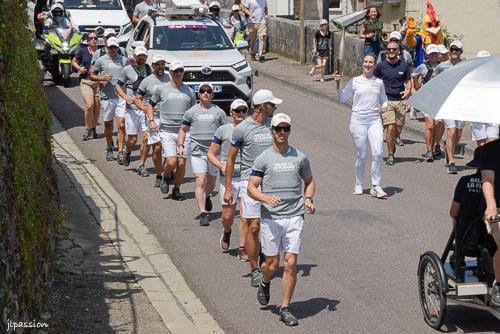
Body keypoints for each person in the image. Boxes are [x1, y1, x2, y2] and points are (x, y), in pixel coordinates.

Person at [247, 112, 316, 327]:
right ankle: (265, 281)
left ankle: (285, 307)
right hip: (271, 218)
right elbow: (251, 187)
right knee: (271, 263)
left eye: (286, 129)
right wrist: (265, 197)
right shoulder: (264, 158)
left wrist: (308, 198)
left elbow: (310, 181)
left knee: (291, 262)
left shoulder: (300, 157)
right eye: (278, 129)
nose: (282, 133)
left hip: (294, 216)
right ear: (272, 131)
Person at [224, 89, 282, 287]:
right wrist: (229, 187)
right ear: (263, 106)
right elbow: (231, 158)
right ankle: (254, 268)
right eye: (272, 105)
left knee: (271, 226)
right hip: (251, 183)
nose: (275, 108)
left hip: (273, 183)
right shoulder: (242, 128)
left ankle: (267, 255)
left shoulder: (273, 126)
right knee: (254, 226)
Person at [335, 53, 388, 198]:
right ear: (362, 64)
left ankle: (376, 185)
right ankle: (358, 184)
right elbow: (341, 98)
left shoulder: (379, 82)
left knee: (377, 153)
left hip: (374, 120)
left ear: (374, 65)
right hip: (358, 120)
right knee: (362, 154)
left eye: (370, 62)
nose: (367, 65)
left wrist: (384, 106)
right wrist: (338, 84)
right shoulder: (355, 81)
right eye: (365, 62)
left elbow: (384, 100)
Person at [178, 83, 227, 226]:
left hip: (214, 154)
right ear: (198, 94)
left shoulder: (219, 113)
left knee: (211, 183)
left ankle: (206, 197)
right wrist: (180, 145)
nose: (205, 93)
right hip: (197, 152)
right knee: (200, 181)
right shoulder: (191, 112)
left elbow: (226, 132)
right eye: (202, 91)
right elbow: (182, 129)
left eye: (208, 91)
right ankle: (203, 212)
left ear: (212, 94)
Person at [147, 60, 197, 199]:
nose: (178, 73)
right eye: (175, 71)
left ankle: (176, 189)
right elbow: (150, 105)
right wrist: (151, 121)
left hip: (184, 132)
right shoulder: (162, 89)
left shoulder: (190, 92)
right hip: (167, 132)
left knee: (181, 163)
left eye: (181, 71)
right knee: (171, 162)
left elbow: (194, 112)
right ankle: (166, 175)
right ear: (171, 73)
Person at [208, 99, 249, 258]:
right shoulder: (223, 130)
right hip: (228, 179)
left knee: (246, 217)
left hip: (246, 178)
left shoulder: (251, 129)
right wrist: (221, 165)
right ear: (231, 113)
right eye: (237, 111)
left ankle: (242, 248)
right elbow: (211, 154)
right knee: (228, 216)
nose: (240, 114)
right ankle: (227, 231)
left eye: (243, 110)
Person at [90, 37, 129, 162]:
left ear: (118, 48)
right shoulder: (101, 60)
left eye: (115, 47)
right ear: (107, 47)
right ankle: (109, 147)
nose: (113, 49)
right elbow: (91, 75)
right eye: (110, 47)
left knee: (121, 124)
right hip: (107, 97)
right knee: (108, 124)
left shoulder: (124, 60)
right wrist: (101, 78)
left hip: (121, 97)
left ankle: (121, 151)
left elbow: (131, 75)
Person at [374, 40, 411, 166]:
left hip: (400, 101)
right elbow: (375, 82)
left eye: (394, 49)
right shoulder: (381, 66)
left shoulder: (403, 66)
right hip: (386, 101)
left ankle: (394, 140)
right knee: (390, 127)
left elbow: (408, 81)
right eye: (389, 49)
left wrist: (408, 91)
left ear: (398, 51)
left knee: (398, 128)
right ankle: (391, 154)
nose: (391, 51)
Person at [134, 54, 170, 183]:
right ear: (153, 66)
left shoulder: (169, 78)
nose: (160, 66)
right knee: (150, 143)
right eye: (157, 64)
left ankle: (166, 169)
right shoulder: (147, 81)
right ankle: (143, 165)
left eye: (162, 64)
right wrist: (145, 109)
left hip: (167, 117)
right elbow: (137, 98)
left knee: (166, 146)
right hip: (151, 116)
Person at [115, 46, 151, 167]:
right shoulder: (127, 69)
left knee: (146, 138)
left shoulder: (149, 69)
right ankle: (127, 151)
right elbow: (118, 86)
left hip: (145, 108)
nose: (141, 57)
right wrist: (126, 98)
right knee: (133, 140)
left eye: (143, 55)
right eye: (139, 55)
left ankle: (141, 165)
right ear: (134, 57)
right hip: (132, 109)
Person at [435, 40, 465, 174]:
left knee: (458, 133)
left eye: (456, 50)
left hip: (461, 103)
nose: (453, 52)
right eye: (452, 49)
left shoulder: (465, 65)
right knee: (451, 131)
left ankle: (448, 150)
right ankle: (451, 162)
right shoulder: (442, 66)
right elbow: (434, 82)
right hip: (447, 103)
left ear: (461, 52)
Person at [412, 43, 444, 163]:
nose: (434, 55)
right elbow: (414, 75)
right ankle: (429, 150)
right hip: (427, 98)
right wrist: (416, 87)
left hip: (439, 98)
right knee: (430, 124)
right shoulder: (422, 66)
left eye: (435, 53)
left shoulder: (443, 66)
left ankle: (436, 145)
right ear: (427, 55)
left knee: (439, 123)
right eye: (431, 54)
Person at [479, 138, 500, 306]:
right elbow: (487, 180)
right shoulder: (490, 150)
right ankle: (498, 286)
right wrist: (491, 205)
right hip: (496, 211)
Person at [72, 31, 100, 141]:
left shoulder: (101, 52)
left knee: (97, 107)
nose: (93, 40)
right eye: (91, 38)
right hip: (86, 81)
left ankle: (93, 129)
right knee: (89, 105)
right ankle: (88, 129)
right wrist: (79, 68)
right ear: (87, 40)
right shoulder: (83, 51)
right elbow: (74, 61)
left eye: (95, 38)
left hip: (98, 82)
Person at [469, 50, 499, 150]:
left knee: (492, 141)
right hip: (477, 113)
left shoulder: (496, 75)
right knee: (482, 144)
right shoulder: (471, 76)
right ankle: (483, 164)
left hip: (493, 113)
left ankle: (490, 164)